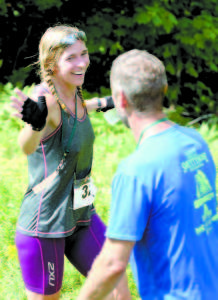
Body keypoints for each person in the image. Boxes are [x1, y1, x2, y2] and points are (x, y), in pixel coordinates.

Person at [77, 49, 218, 300]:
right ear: (164, 90)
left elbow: (113, 263)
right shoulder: (196, 142)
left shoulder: (136, 170)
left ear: (120, 100)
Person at [11, 24, 131, 300]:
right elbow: (26, 145)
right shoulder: (46, 100)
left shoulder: (72, 90)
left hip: (80, 213)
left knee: (117, 288)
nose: (81, 63)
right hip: (46, 224)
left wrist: (106, 102)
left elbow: (76, 109)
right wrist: (34, 124)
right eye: (71, 58)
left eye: (84, 54)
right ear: (51, 64)